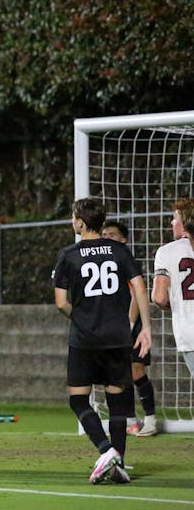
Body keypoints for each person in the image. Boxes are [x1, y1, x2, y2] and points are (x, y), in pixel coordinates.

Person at [53, 197, 151, 484]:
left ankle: (106, 451)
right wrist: (145, 327)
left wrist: (80, 317)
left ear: (80, 222)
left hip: (85, 339)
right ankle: (118, 462)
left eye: (73, 217)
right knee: (118, 403)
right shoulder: (120, 251)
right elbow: (139, 289)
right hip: (118, 336)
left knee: (79, 400)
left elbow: (61, 303)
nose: (72, 221)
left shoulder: (69, 254)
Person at [100, 220, 158, 437]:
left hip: (132, 325)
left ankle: (151, 420)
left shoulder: (125, 259)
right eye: (104, 233)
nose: (107, 237)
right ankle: (131, 420)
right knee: (118, 373)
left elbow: (136, 295)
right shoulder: (102, 262)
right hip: (113, 325)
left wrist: (130, 324)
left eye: (112, 234)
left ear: (123, 239)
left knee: (136, 370)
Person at [152, 198, 194, 379]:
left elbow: (159, 297)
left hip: (190, 331)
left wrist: (174, 302)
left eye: (175, 218)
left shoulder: (166, 251)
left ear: (185, 222)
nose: (171, 222)